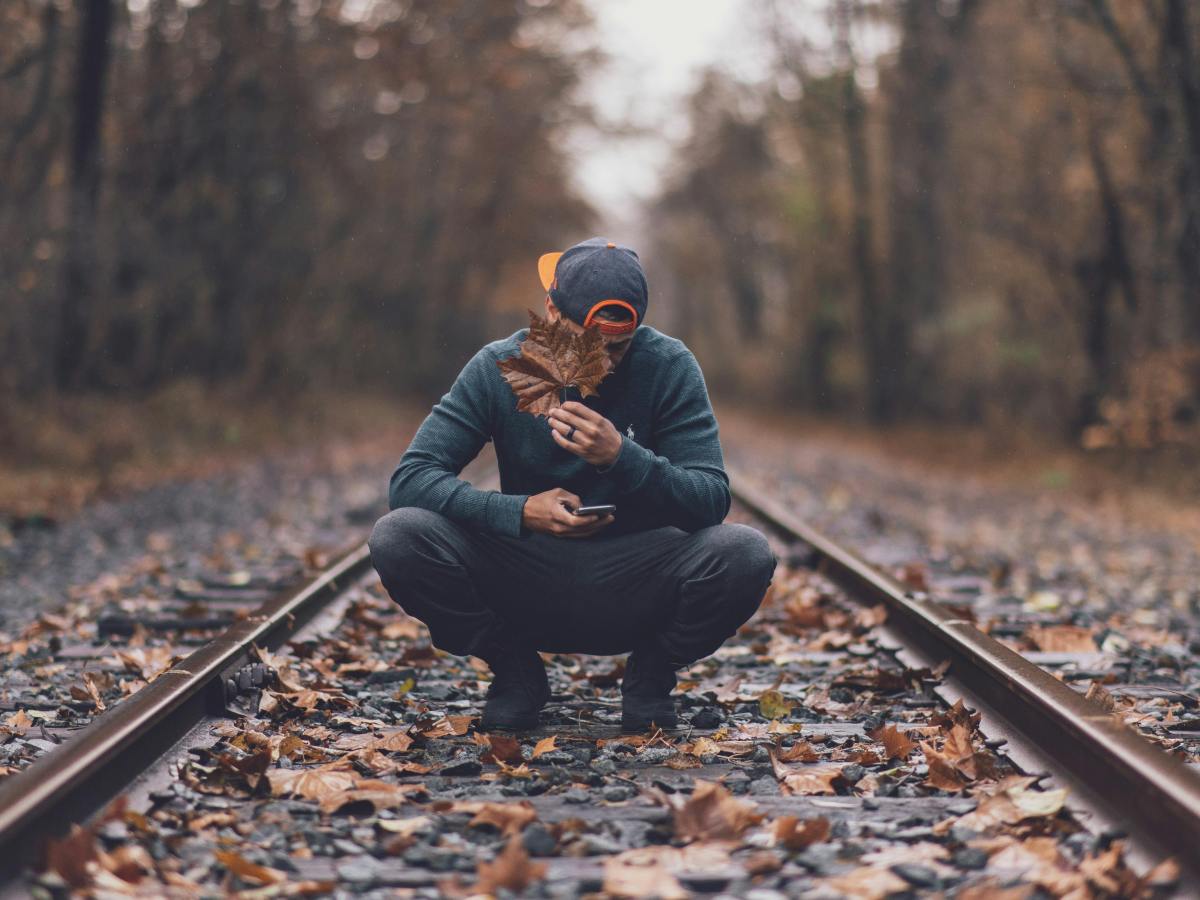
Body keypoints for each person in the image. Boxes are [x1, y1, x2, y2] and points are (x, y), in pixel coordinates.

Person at [369, 236, 777, 732]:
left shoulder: (668, 365)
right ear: (549, 311)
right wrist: (519, 512)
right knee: (399, 535)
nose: (601, 364)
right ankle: (516, 671)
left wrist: (623, 458)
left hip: (635, 579)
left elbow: (710, 499)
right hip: (524, 575)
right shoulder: (499, 365)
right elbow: (412, 480)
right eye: (582, 347)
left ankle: (650, 675)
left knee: (746, 553)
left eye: (617, 349)